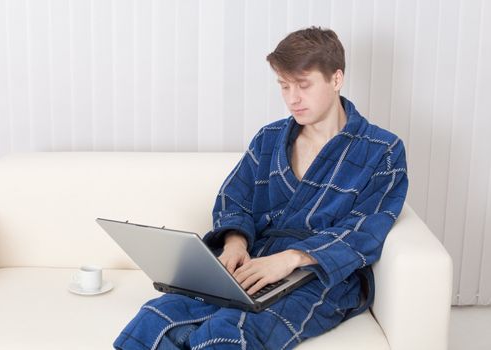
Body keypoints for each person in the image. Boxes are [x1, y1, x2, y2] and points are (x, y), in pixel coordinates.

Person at [113, 26, 408, 350]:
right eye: (284, 86)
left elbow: (365, 230)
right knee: (157, 316)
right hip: (254, 259)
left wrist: (292, 258)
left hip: (324, 274)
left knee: (231, 330)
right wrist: (236, 243)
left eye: (303, 85)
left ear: (336, 79)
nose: (292, 98)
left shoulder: (382, 150)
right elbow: (235, 197)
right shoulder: (269, 138)